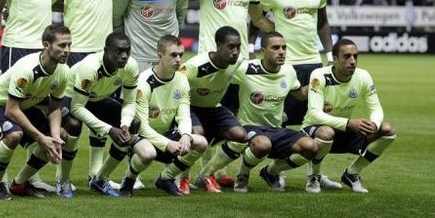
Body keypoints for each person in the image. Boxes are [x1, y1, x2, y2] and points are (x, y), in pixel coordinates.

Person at [186, 0, 274, 186]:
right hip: (210, 63)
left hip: (240, 62)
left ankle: (214, 171)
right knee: (207, 117)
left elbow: (258, 19)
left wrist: (283, 27)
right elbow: (182, 3)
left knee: (231, 116)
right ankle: (203, 173)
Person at [257, 0, 340, 190]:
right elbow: (257, 19)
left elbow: (323, 23)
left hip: (314, 62)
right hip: (286, 65)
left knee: (319, 120)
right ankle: (276, 172)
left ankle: (314, 174)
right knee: (280, 120)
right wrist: (257, 48)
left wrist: (328, 56)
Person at [51, 0, 121, 189]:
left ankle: (96, 175)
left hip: (104, 53)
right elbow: (52, 2)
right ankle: (62, 179)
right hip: (76, 52)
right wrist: (71, 6)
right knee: (72, 120)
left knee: (101, 118)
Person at [201, 32, 318, 193]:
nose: (281, 51)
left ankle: (271, 172)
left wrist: (323, 82)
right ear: (263, 51)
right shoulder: (246, 68)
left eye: (284, 47)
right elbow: (220, 75)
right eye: (276, 48)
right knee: (263, 144)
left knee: (311, 147)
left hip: (276, 130)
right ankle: (242, 175)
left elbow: (300, 94)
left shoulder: (289, 71)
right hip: (248, 127)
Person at [0, 24, 71, 200]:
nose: (67, 50)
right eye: (62, 45)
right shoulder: (27, 68)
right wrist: (41, 138)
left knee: (61, 136)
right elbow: (11, 110)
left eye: (69, 45)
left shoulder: (63, 71)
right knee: (14, 135)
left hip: (21, 108)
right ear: (46, 45)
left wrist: (55, 138)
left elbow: (55, 108)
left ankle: (19, 184)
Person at [301, 39, 396, 193]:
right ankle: (314, 176)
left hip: (344, 129)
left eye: (355, 56)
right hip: (314, 130)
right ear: (335, 58)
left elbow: (376, 107)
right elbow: (315, 114)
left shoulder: (363, 76)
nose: (352, 61)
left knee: (388, 130)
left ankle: (352, 174)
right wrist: (348, 123)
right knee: (326, 132)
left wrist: (374, 124)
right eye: (346, 56)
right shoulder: (319, 75)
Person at [117, 35, 208, 196]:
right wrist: (168, 144)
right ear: (160, 55)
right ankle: (129, 180)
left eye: (181, 54)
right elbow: (142, 127)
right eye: (173, 55)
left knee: (200, 142)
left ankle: (166, 178)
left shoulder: (182, 80)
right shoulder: (144, 83)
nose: (179, 59)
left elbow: (184, 116)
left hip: (166, 135)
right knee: (148, 154)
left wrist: (186, 135)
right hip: (141, 137)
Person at [55, 32, 139, 198]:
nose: (124, 56)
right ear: (106, 50)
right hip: (71, 98)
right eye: (119, 51)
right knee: (73, 126)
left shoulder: (130, 66)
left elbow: (129, 102)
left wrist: (124, 124)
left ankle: (100, 179)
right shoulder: (90, 67)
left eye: (127, 51)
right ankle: (63, 180)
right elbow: (78, 107)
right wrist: (109, 129)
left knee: (134, 124)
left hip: (98, 98)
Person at [177, 26, 247, 194]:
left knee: (240, 137)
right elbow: (175, 85)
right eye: (231, 47)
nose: (236, 51)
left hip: (213, 107)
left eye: (238, 46)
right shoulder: (195, 66)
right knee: (197, 133)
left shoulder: (238, 61)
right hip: (190, 106)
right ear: (218, 45)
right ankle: (182, 178)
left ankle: (205, 175)